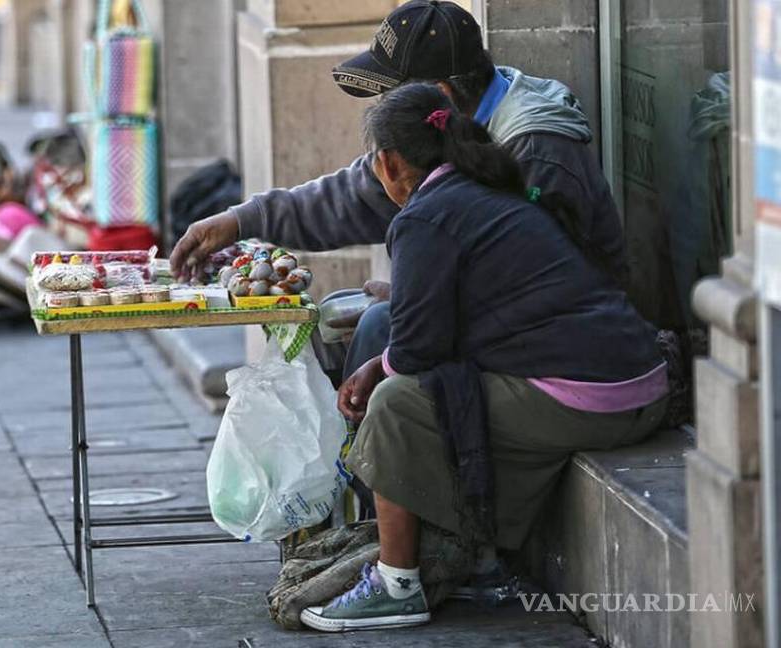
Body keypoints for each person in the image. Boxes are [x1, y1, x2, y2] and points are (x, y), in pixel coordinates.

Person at [295, 83, 667, 633]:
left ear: (388, 163)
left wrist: (377, 369)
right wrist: (385, 358)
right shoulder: (488, 188)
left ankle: (397, 583)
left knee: (398, 403)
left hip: (595, 396)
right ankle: (478, 556)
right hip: (639, 383)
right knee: (432, 383)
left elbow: (418, 352)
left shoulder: (426, 216)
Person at [169, 0, 626, 381]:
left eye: (390, 96)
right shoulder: (442, 128)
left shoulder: (536, 147)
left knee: (377, 334)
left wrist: (427, 299)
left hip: (565, 347)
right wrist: (242, 220)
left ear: (438, 93)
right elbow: (355, 194)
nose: (382, 108)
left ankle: (379, 484)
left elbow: (549, 281)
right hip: (496, 315)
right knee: (330, 325)